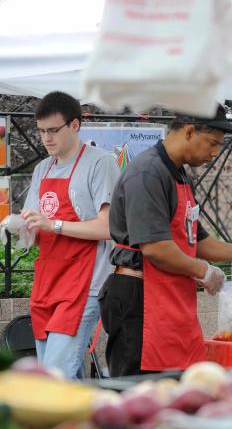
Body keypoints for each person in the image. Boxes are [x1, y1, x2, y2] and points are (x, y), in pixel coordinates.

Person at [100, 104, 232, 376]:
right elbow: (156, 248)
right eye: (212, 143)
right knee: (141, 390)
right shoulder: (148, 173)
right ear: (189, 131)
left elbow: (197, 240)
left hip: (171, 298)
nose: (215, 153)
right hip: (140, 298)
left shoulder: (178, 173)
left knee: (177, 383)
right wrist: (203, 271)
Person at [21, 91, 120, 379]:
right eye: (41, 132)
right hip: (48, 282)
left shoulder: (101, 163)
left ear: (75, 125)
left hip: (84, 284)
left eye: (53, 130)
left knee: (53, 377)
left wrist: (54, 225)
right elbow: (36, 230)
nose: (46, 138)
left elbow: (108, 227)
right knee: (66, 379)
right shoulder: (42, 169)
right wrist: (22, 228)